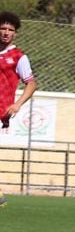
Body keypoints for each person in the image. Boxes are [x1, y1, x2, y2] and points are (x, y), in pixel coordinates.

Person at [0, 12, 36, 210]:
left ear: (15, 34)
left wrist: (18, 103)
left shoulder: (18, 57)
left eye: (10, 30)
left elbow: (31, 83)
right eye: (3, 28)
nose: (6, 33)